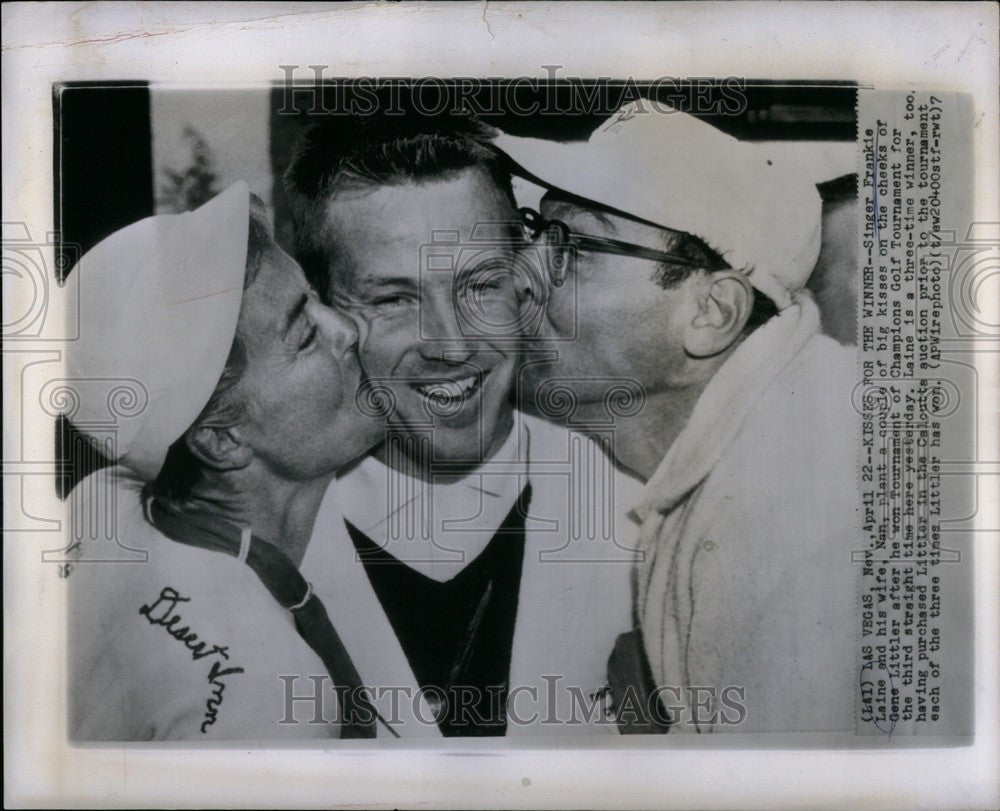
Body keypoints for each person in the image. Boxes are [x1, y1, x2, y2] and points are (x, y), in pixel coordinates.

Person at [493, 102, 860, 733]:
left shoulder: (786, 508)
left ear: (712, 313)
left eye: (572, 248)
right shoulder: (760, 442)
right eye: (534, 233)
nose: (521, 278)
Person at [284, 109, 642, 737]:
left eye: (480, 286)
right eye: (393, 299)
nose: (451, 345)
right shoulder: (269, 538)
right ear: (322, 312)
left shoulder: (636, 518)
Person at [64, 182, 387, 740]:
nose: (349, 328)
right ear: (221, 440)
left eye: (314, 299)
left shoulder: (101, 501)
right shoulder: (269, 698)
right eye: (306, 334)